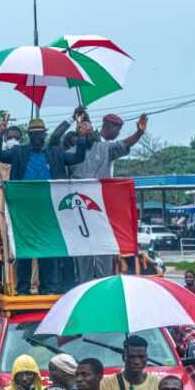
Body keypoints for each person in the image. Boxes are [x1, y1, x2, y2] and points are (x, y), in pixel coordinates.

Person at [0, 112, 89, 294]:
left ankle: (48, 288)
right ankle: (23, 288)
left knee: (47, 249)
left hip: (49, 209)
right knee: (25, 250)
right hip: (24, 209)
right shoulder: (19, 152)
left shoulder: (55, 152)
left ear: (44, 135)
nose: (37, 137)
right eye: (34, 133)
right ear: (29, 135)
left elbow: (77, 158)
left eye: (40, 133)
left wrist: (81, 138)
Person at [69, 111, 148, 282]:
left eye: (89, 129)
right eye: (83, 129)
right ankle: (84, 284)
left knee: (104, 248)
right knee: (83, 252)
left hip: (102, 208)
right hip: (79, 210)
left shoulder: (105, 148)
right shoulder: (70, 152)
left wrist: (139, 133)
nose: (88, 132)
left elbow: (124, 144)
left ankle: (104, 283)